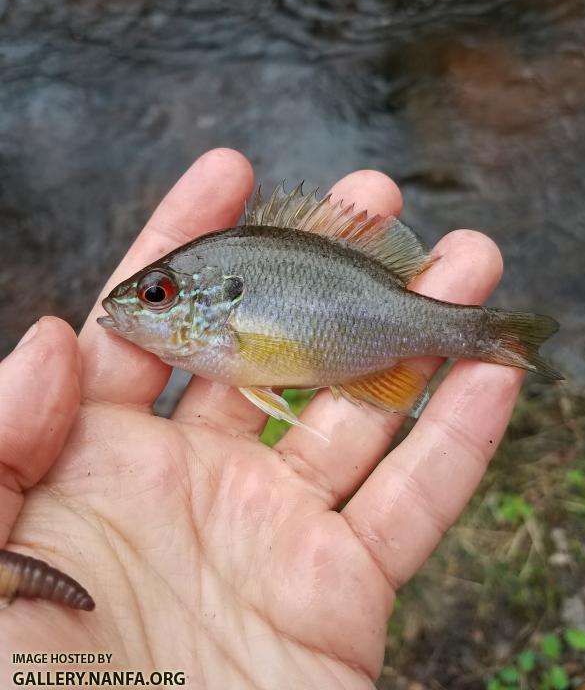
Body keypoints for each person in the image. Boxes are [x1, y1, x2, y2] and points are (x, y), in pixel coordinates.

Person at [0, 149, 522, 688]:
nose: (137, 305)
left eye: (157, 295)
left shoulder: (226, 323)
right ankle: (495, 338)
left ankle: (491, 336)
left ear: (214, 302)